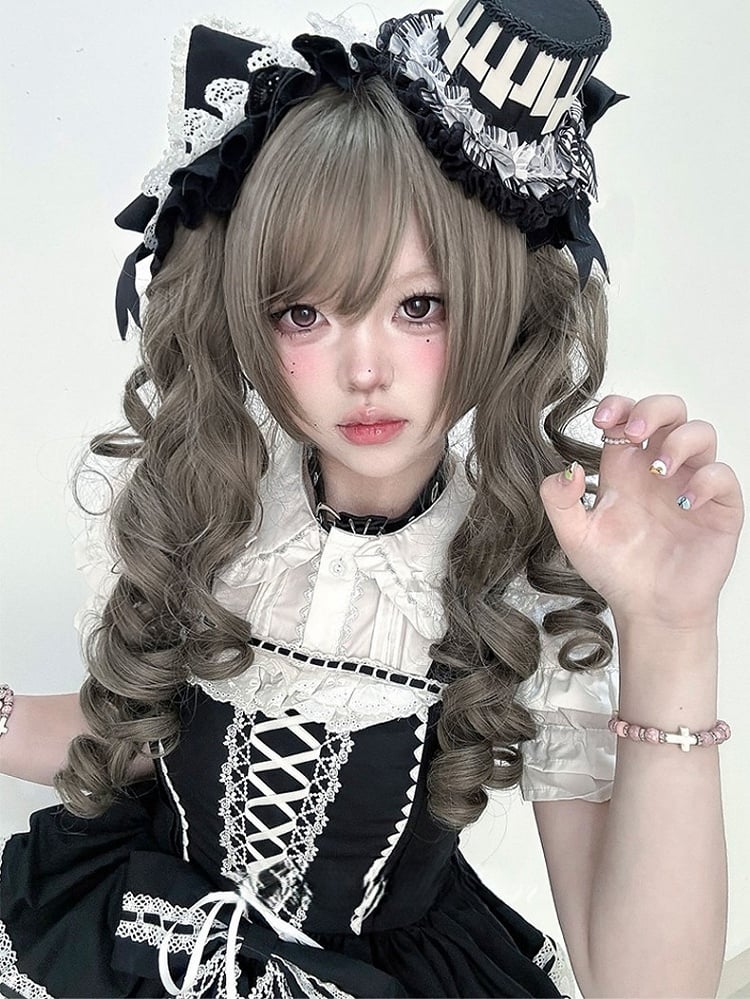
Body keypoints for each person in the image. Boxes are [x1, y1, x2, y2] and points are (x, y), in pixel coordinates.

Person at [0, 1, 744, 996]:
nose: (365, 370)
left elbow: (650, 985)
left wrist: (672, 627)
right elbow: (141, 747)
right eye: (304, 311)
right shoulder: (212, 499)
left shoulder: (514, 580)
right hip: (146, 940)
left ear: (498, 302)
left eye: (418, 306)